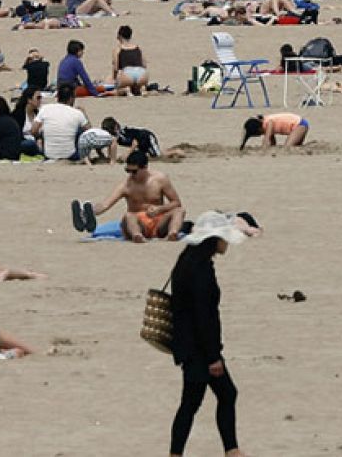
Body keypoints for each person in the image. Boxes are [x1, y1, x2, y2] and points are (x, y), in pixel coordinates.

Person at [168, 212, 248, 457]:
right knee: (193, 402)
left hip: (188, 343)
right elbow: (205, 317)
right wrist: (213, 357)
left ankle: (231, 450)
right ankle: (179, 454)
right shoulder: (201, 271)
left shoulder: (187, 261)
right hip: (199, 349)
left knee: (223, 395)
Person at [71, 149, 185, 242]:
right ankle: (137, 236)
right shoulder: (126, 186)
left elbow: (176, 202)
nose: (131, 174)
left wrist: (160, 209)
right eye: (127, 171)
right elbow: (105, 205)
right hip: (138, 223)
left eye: (134, 171)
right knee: (129, 216)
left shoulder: (160, 180)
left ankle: (172, 234)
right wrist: (90, 212)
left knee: (179, 211)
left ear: (145, 167)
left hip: (159, 222)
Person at [33, 86, 90, 161]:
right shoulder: (77, 113)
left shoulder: (45, 108)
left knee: (44, 130)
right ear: (71, 98)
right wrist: (84, 113)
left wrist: (40, 137)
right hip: (70, 155)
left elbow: (33, 130)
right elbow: (90, 131)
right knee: (80, 130)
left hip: (48, 154)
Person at [111, 24, 149, 95]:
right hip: (141, 73)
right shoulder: (138, 48)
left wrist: (115, 80)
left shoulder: (118, 49)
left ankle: (126, 90)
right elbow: (144, 65)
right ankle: (142, 88)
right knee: (137, 87)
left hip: (127, 74)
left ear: (120, 36)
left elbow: (116, 68)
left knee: (119, 88)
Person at [240, 113, 309, 148]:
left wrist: (263, 148)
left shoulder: (268, 123)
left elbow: (267, 139)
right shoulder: (266, 123)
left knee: (287, 147)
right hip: (299, 124)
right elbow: (272, 142)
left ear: (259, 129)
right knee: (296, 146)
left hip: (299, 124)